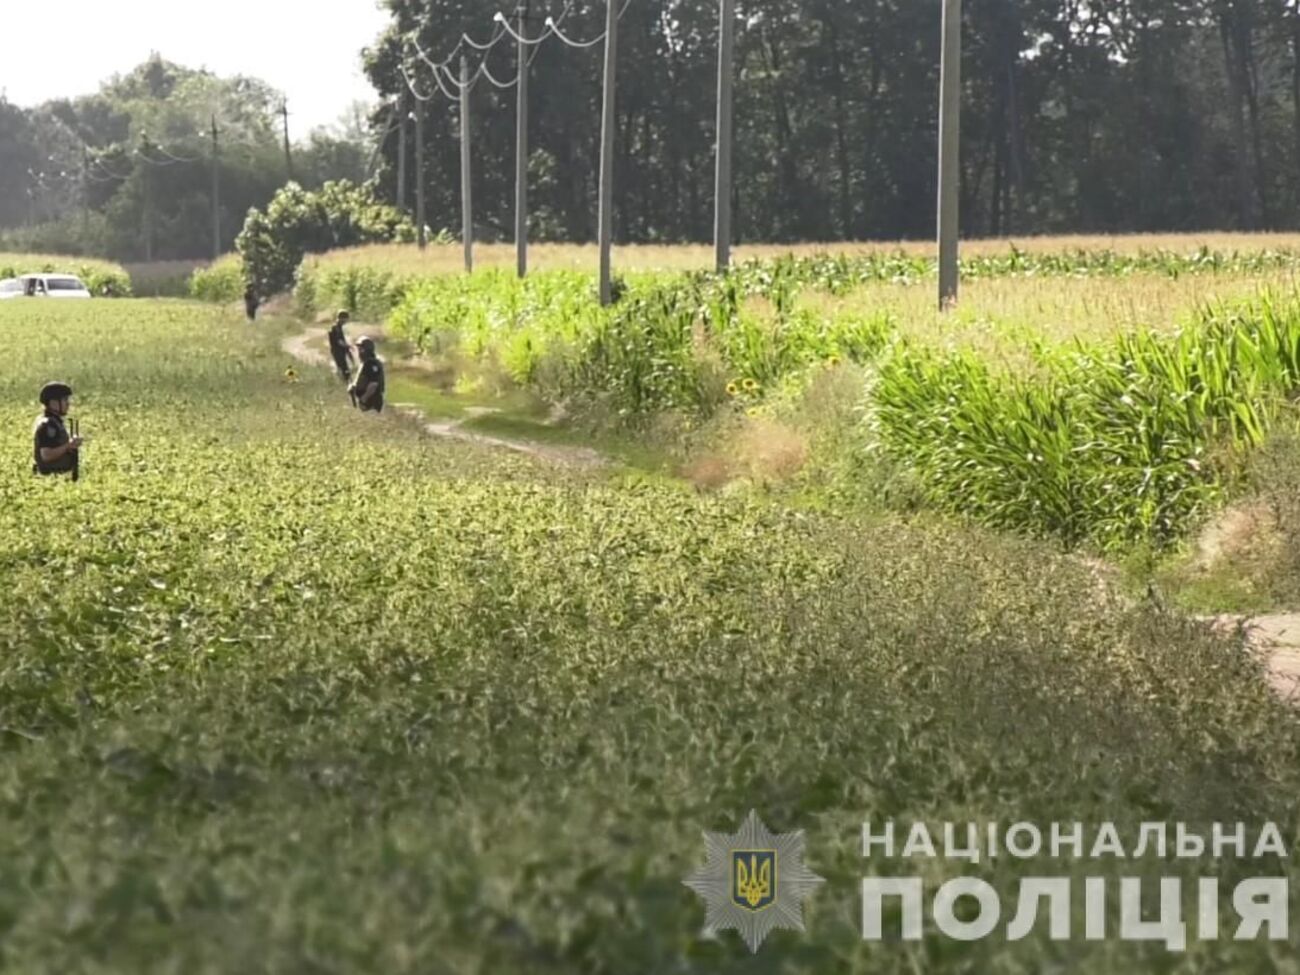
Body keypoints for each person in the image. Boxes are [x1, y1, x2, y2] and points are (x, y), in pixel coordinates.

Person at [33, 381, 82, 478]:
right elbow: (46, 455)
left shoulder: (54, 422)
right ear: (53, 402)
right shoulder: (48, 425)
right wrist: (68, 446)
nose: (68, 404)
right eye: (64, 400)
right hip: (51, 476)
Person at [349, 336, 385, 412]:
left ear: (366, 350)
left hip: (371, 402)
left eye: (360, 349)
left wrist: (363, 399)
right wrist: (353, 387)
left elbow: (374, 384)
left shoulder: (371, 364)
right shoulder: (365, 363)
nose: (358, 351)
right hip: (366, 402)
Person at [327, 310, 355, 382]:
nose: (347, 321)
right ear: (342, 318)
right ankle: (345, 383)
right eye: (346, 318)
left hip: (339, 350)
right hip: (337, 351)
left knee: (343, 368)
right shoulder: (335, 328)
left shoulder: (338, 327)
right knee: (343, 368)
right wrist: (348, 346)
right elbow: (339, 341)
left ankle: (344, 382)